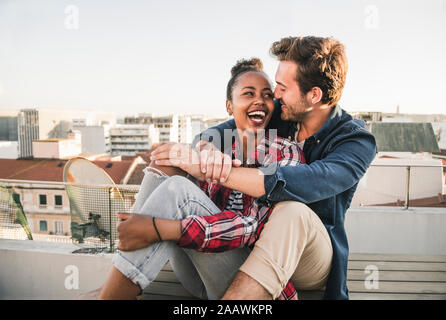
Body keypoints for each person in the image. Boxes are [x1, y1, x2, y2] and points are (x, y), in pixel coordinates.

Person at [151, 36, 377, 299]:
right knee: (168, 167)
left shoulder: (356, 141)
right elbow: (223, 129)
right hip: (251, 237)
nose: (275, 94)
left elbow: (304, 181)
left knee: (292, 211)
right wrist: (206, 150)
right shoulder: (283, 111)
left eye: (282, 87)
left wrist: (219, 172)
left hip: (310, 257)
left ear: (314, 95)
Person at [98, 58, 305, 300]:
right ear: (229, 106)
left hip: (246, 280)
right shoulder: (218, 149)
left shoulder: (285, 151)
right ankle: (116, 283)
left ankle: (110, 295)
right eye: (248, 93)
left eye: (267, 95)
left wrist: (161, 229)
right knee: (166, 163)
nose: (260, 100)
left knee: (179, 190)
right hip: (199, 275)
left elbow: (253, 229)